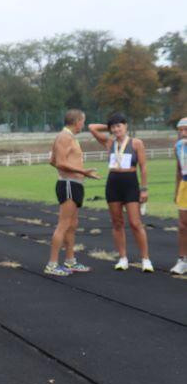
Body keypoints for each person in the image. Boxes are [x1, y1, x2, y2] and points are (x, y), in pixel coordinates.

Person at [88, 113, 153, 272]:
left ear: (126, 126)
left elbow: (143, 167)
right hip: (113, 183)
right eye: (113, 127)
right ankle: (123, 258)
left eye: (119, 126)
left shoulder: (136, 143)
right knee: (117, 223)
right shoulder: (110, 143)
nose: (116, 129)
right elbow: (91, 127)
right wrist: (108, 125)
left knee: (135, 223)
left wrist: (144, 189)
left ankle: (145, 259)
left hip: (130, 183)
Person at [44, 109, 99, 275]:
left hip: (74, 183)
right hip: (68, 184)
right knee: (63, 225)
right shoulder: (64, 137)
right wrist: (83, 172)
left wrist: (78, 173)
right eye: (83, 121)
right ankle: (52, 265)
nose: (83, 124)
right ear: (77, 122)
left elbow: (52, 161)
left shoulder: (68, 137)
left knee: (72, 225)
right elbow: (59, 162)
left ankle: (70, 261)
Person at [173, 117, 187, 275]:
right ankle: (182, 260)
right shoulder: (178, 146)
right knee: (183, 225)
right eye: (180, 131)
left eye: (186, 130)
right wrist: (177, 190)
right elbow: (178, 169)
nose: (183, 133)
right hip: (184, 185)